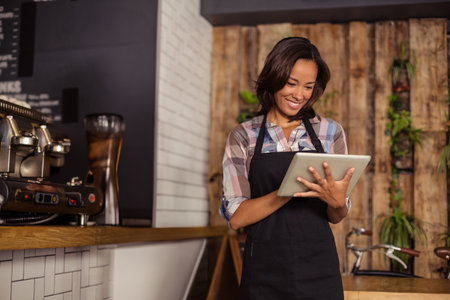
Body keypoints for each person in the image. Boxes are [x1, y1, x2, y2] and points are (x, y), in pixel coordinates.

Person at [219, 37, 354, 300]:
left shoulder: (330, 133)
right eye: (291, 83)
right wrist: (289, 189)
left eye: (308, 87)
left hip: (319, 270)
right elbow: (236, 217)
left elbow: (337, 215)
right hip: (263, 273)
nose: (299, 95)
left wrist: (337, 203)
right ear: (274, 76)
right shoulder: (243, 136)